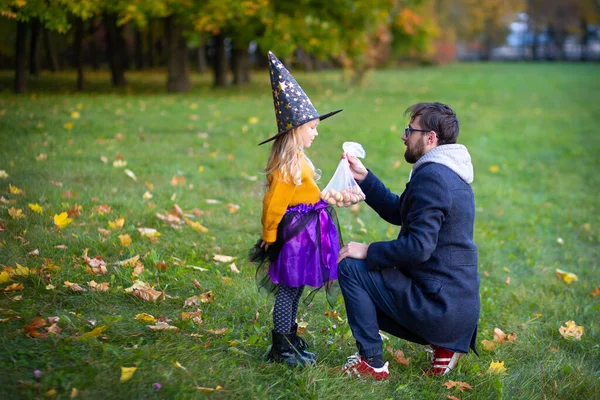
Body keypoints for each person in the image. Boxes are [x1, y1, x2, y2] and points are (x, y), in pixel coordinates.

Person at [337, 102, 479, 380]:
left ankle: (371, 363)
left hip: (441, 307)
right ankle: (444, 345)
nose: (404, 136)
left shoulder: (433, 177)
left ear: (430, 138)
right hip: (452, 304)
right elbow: (399, 212)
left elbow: (418, 248)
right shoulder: (445, 172)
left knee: (352, 268)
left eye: (409, 130)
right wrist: (363, 178)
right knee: (366, 275)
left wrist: (368, 250)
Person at [250, 51, 343, 367]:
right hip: (293, 236)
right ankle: (281, 348)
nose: (316, 133)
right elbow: (274, 203)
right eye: (312, 128)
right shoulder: (289, 164)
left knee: (296, 289)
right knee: (288, 292)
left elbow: (309, 193)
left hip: (305, 235)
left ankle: (289, 340)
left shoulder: (299, 160)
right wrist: (268, 234)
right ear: (295, 129)